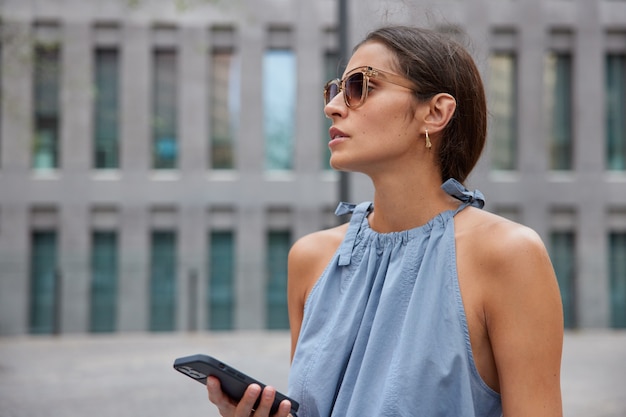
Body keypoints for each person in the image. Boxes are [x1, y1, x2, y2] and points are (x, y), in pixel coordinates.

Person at [207, 25, 564, 417]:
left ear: (435, 112)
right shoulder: (311, 259)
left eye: (361, 86)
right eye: (335, 89)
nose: (334, 105)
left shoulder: (508, 256)